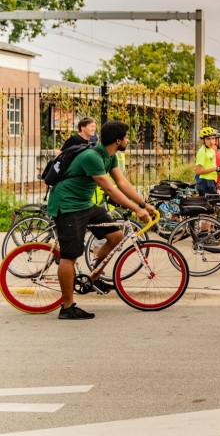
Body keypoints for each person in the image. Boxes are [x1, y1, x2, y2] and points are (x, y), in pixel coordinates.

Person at [46, 120, 155, 320]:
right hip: (68, 205)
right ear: (118, 140)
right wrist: (136, 209)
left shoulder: (109, 156)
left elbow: (121, 182)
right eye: (126, 137)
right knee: (70, 256)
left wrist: (143, 203)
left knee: (116, 236)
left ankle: (93, 278)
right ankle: (67, 307)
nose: (128, 140)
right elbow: (110, 189)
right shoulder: (92, 157)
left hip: (84, 204)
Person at [193, 127, 220, 196]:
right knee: (213, 204)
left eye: (213, 138)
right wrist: (215, 168)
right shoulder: (202, 152)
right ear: (203, 140)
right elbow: (198, 171)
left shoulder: (212, 151)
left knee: (213, 204)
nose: (211, 141)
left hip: (211, 181)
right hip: (205, 182)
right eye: (208, 139)